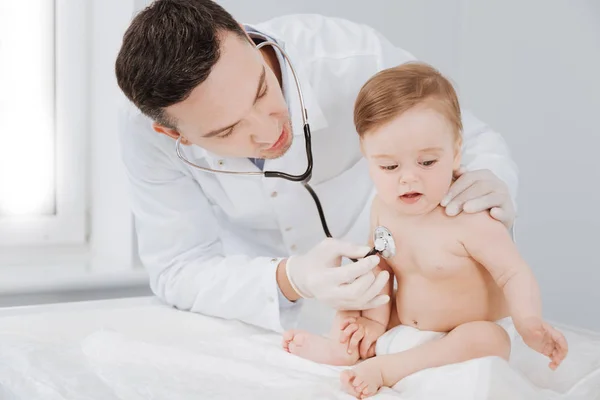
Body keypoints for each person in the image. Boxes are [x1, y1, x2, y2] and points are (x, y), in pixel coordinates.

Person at [114, 0, 518, 334]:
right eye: (227, 130)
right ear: (173, 135)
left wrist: (489, 182)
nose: (268, 129)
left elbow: (471, 140)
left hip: (404, 303)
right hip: (262, 316)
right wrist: (291, 278)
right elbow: (179, 268)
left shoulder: (348, 57)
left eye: (260, 91)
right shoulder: (146, 135)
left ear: (244, 33)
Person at [281, 62, 568, 398]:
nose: (408, 177)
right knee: (357, 287)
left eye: (427, 162)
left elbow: (513, 273)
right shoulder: (383, 207)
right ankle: (345, 347)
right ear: (367, 157)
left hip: (463, 333)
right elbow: (384, 267)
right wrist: (371, 321)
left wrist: (528, 321)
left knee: (489, 340)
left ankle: (388, 368)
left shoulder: (470, 216)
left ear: (456, 151)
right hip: (401, 322)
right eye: (389, 166)